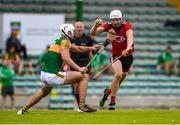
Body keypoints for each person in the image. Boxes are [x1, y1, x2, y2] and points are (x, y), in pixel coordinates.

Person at [17, 23, 101, 114]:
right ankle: (82, 106)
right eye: (72, 31)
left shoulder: (59, 40)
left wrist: (91, 48)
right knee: (84, 76)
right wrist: (79, 68)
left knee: (44, 92)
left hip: (44, 74)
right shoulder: (65, 41)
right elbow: (65, 57)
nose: (73, 33)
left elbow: (78, 49)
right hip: (52, 75)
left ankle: (23, 110)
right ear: (67, 32)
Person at [90, 10, 135, 110]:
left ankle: (108, 92)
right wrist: (95, 26)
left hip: (128, 56)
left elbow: (130, 37)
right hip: (116, 55)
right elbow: (92, 33)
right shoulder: (108, 26)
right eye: (113, 20)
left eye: (117, 19)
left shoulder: (127, 25)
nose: (115, 22)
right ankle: (112, 102)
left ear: (121, 19)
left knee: (119, 82)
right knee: (118, 75)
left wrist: (127, 48)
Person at [64, 21, 96, 108]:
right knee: (76, 86)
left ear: (83, 28)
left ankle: (81, 104)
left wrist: (91, 66)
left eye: (80, 27)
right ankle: (80, 105)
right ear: (74, 28)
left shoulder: (88, 39)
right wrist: (66, 65)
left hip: (85, 64)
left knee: (82, 85)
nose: (79, 29)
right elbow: (68, 53)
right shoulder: (70, 39)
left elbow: (90, 52)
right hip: (74, 64)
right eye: (77, 27)